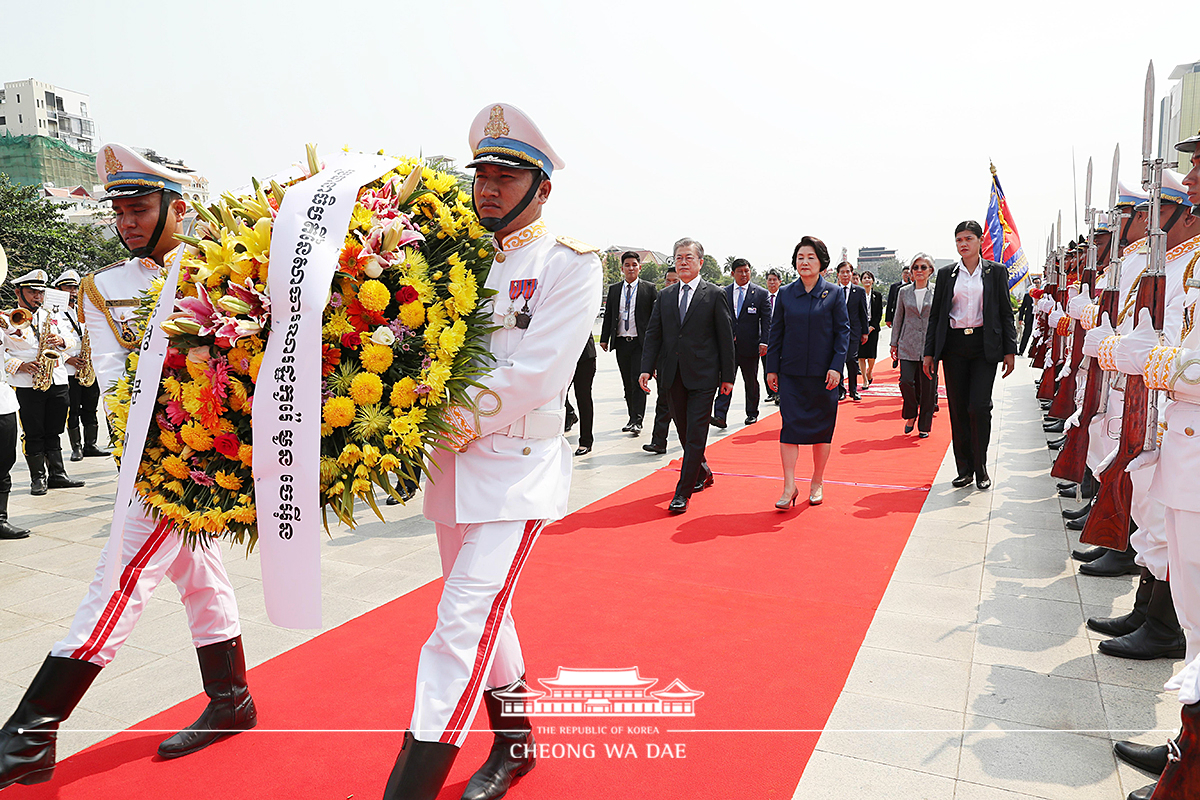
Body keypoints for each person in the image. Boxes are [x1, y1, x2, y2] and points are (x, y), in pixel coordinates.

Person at [0, 144, 256, 792]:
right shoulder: (102, 289)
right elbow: (115, 380)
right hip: (154, 456)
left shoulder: (217, 272)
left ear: (177, 208)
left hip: (205, 456)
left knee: (117, 580)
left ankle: (31, 733)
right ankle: (232, 699)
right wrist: (146, 454)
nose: (128, 221)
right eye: (121, 211)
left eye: (141, 208)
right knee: (200, 575)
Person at [386, 103, 602, 800]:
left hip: (516, 471)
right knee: (482, 611)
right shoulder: (455, 259)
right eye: (482, 173)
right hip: (454, 472)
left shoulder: (571, 264)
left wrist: (437, 420)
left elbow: (535, 372)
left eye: (507, 176)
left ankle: (409, 788)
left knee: (460, 624)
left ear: (543, 187)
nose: (488, 187)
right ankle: (515, 744)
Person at [639, 237, 735, 514]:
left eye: (688, 257)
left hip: (704, 376)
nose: (682, 262)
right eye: (678, 257)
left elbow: (725, 338)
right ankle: (702, 471)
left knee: (696, 432)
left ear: (700, 262)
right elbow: (654, 334)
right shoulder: (665, 295)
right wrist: (646, 368)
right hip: (672, 376)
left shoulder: (714, 294)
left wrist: (727, 376)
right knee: (683, 430)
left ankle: (682, 491)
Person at [923, 220, 1017, 490]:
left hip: (983, 347)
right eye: (958, 240)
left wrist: (1010, 350)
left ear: (980, 241)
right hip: (953, 347)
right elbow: (937, 316)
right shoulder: (946, 274)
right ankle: (963, 468)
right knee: (959, 409)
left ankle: (981, 466)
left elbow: (1005, 312)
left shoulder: (995, 272)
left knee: (979, 407)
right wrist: (930, 353)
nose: (963, 244)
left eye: (968, 239)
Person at [766, 236, 849, 507]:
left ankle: (817, 480)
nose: (805, 262)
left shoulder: (834, 293)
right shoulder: (787, 294)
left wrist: (837, 367)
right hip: (790, 375)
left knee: (822, 430)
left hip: (824, 376)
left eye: (811, 257)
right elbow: (775, 332)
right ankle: (789, 486)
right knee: (789, 428)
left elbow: (842, 333)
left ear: (821, 262)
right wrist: (772, 369)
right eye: (800, 257)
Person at [4, 270, 83, 495]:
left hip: (56, 378)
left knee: (54, 429)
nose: (38, 297)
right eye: (32, 292)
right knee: (34, 431)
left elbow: (71, 339)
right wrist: (19, 365)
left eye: (40, 292)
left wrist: (61, 340)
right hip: (28, 382)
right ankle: (37, 478)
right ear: (18, 292)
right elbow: (3, 352)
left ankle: (58, 474)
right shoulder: (10, 318)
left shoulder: (50, 314)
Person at [599, 251, 657, 435]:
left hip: (641, 343)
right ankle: (632, 416)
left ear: (639, 267)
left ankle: (637, 420)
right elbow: (609, 315)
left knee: (637, 380)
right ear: (622, 268)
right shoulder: (615, 289)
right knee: (626, 382)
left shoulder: (649, 288)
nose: (631, 268)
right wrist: (603, 338)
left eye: (634, 264)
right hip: (622, 342)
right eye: (627, 265)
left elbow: (655, 319)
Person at [53, 270, 108, 462]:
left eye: (75, 288)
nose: (73, 291)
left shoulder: (83, 309)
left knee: (91, 407)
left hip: (88, 366)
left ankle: (90, 445)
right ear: (58, 289)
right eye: (68, 287)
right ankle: (76, 447)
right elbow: (48, 340)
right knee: (73, 409)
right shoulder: (54, 314)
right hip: (69, 368)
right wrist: (68, 358)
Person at [712, 257, 770, 427]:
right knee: (725, 379)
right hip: (727, 347)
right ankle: (720, 415)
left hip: (750, 346)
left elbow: (767, 320)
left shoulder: (760, 293)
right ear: (732, 273)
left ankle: (752, 412)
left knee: (750, 380)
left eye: (746, 271)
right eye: (740, 271)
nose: (744, 274)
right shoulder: (723, 292)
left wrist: (764, 342)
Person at [889, 254, 937, 437]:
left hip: (929, 346)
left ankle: (924, 425)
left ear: (930, 271)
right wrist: (894, 343)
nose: (919, 271)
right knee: (906, 381)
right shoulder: (904, 292)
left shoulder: (937, 291)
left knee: (928, 387)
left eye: (923, 267)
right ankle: (910, 413)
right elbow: (898, 318)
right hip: (907, 344)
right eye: (915, 267)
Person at [0, 311, 29, 540]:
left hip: (3, 401)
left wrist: (8, 326)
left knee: (4, 461)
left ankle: (0, 519)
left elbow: (21, 340)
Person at [643, 266, 678, 455]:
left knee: (688, 410)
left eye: (675, 281)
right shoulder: (661, 301)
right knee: (663, 403)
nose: (671, 284)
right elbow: (654, 334)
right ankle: (658, 441)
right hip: (666, 364)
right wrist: (651, 366)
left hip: (692, 366)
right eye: (668, 281)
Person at [834, 261, 869, 400]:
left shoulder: (859, 291)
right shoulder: (832, 290)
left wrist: (865, 332)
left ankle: (853, 390)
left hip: (853, 332)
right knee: (838, 360)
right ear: (838, 274)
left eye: (848, 272)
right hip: (836, 333)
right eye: (842, 272)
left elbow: (863, 312)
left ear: (851, 273)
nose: (845, 275)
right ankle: (840, 389)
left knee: (851, 359)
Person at [565, 336, 596, 455]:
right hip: (563, 357)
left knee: (583, 398)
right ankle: (570, 414)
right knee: (556, 396)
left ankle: (586, 441)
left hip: (584, 357)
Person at [858, 270, 884, 386]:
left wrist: (872, 326)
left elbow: (879, 312)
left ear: (873, 281)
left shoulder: (877, 295)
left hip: (873, 329)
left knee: (871, 355)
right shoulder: (858, 293)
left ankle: (869, 371)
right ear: (861, 280)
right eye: (864, 278)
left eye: (869, 278)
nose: (867, 280)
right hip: (860, 328)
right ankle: (864, 379)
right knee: (861, 355)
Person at [761, 268, 783, 403]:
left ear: (780, 282)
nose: (772, 282)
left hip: (781, 338)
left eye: (775, 280)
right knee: (767, 366)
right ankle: (771, 392)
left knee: (779, 366)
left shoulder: (785, 296)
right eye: (769, 280)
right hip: (766, 338)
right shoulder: (762, 297)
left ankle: (780, 392)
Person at [1016, 276, 1038, 355]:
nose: (1036, 284)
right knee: (1026, 334)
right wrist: (1021, 318)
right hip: (1030, 317)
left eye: (1038, 283)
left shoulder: (1043, 294)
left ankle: (1035, 353)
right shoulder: (1028, 295)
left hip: (1038, 318)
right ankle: (1021, 350)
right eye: (1035, 283)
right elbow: (1022, 308)